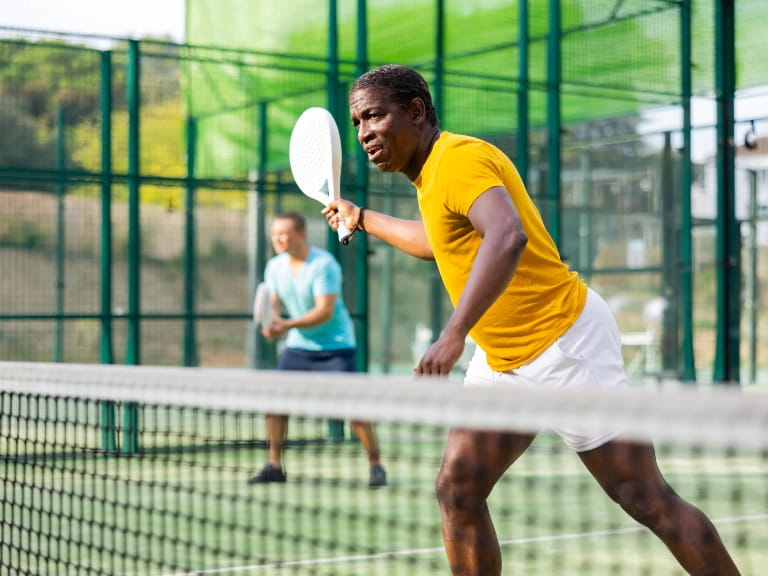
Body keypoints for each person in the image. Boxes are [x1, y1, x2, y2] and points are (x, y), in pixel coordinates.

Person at [322, 64, 740, 575]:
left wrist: (453, 335)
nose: (364, 132)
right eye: (357, 121)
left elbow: (507, 236)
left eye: (374, 116)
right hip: (503, 361)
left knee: (645, 498)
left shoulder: (457, 161)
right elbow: (439, 242)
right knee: (458, 490)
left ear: (415, 112)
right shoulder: (432, 174)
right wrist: (362, 217)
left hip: (565, 344)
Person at [248, 211, 387, 488]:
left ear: (301, 234)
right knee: (274, 405)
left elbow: (324, 311)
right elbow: (273, 305)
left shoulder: (324, 265)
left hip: (336, 346)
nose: (278, 238)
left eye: (284, 233)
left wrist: (286, 325)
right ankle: (275, 465)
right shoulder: (274, 267)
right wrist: (272, 323)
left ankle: (376, 465)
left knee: (355, 410)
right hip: (298, 347)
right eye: (275, 233)